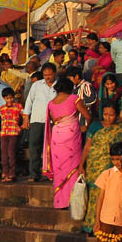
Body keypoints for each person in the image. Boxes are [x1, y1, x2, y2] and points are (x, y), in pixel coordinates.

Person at [80, 103, 122, 234]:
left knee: (107, 196)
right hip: (94, 166)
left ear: (117, 114)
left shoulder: (121, 129)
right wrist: (81, 165)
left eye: (111, 115)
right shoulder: (95, 126)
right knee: (94, 196)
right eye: (105, 115)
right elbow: (87, 146)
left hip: (113, 166)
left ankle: (105, 225)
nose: (108, 118)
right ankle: (90, 226)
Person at [44, 79, 92, 209]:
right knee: (73, 166)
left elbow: (54, 120)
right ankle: (73, 200)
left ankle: (60, 202)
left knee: (60, 168)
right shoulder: (74, 98)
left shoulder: (51, 103)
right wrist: (87, 127)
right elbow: (87, 116)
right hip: (71, 136)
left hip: (57, 137)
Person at [22, 63, 58, 181]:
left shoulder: (59, 85)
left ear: (54, 74)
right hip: (37, 120)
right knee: (34, 147)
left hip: (54, 122)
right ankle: (34, 174)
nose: (47, 77)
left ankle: (51, 173)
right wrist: (26, 117)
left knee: (52, 148)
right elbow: (29, 101)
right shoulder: (37, 85)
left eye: (50, 74)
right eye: (45, 75)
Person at [0, 88, 24, 182]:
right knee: (4, 155)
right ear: (4, 98)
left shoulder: (18, 106)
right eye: (7, 98)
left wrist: (21, 127)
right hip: (4, 133)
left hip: (14, 132)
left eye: (10, 98)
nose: (9, 100)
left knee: (11, 153)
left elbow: (25, 116)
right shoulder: (2, 108)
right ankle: (5, 173)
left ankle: (12, 174)